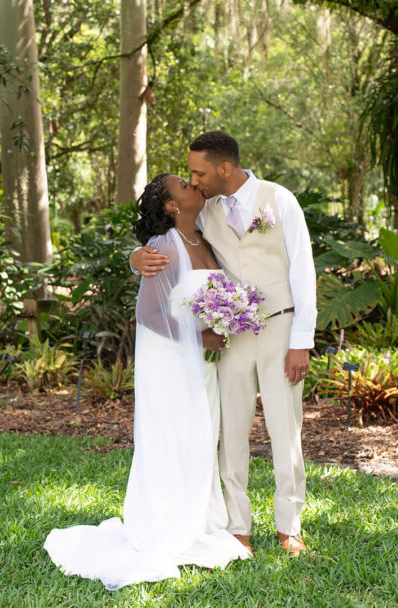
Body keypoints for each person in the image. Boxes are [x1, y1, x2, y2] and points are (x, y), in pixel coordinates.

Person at [43, 174, 250, 590]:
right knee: (172, 437)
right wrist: (204, 335)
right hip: (172, 362)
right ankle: (167, 527)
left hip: (204, 363)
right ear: (172, 207)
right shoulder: (164, 246)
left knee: (200, 436)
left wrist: (226, 321)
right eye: (184, 186)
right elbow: (150, 315)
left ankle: (201, 520)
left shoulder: (206, 238)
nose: (195, 186)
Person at [130, 131, 317, 557]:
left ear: (225, 168)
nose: (194, 181)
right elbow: (170, 245)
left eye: (198, 172)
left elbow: (303, 271)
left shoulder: (279, 199)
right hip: (231, 336)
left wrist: (301, 342)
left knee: (285, 430)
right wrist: (135, 256)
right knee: (231, 432)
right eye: (189, 177)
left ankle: (289, 526)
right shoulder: (206, 210)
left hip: (280, 329)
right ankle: (238, 526)